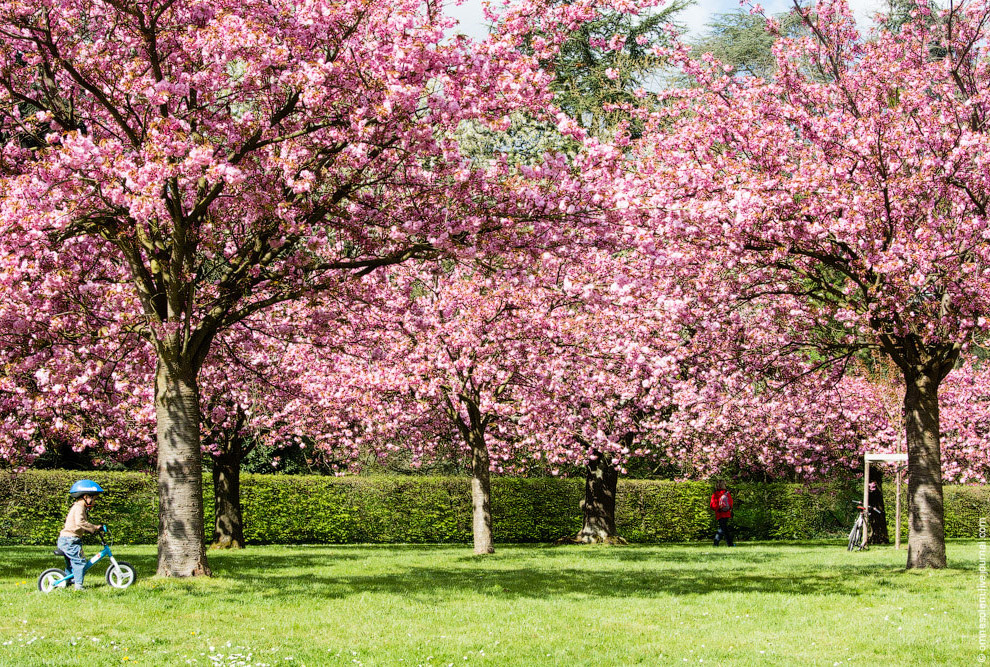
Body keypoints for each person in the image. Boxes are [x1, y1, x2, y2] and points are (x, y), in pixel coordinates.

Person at [58, 480, 106, 590]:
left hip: (68, 539)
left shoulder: (80, 507)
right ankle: (78, 586)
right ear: (86, 497)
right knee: (79, 562)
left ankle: (68, 582)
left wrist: (91, 529)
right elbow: (80, 522)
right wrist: (94, 527)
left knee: (71, 564)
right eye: (94, 499)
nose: (94, 502)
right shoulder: (79, 507)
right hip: (69, 540)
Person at [709, 480, 735, 547]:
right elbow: (731, 504)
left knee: (723, 529)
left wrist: (718, 508)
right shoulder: (727, 493)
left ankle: (718, 544)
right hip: (726, 513)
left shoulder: (715, 494)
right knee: (723, 529)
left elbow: (712, 505)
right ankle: (728, 544)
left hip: (719, 513)